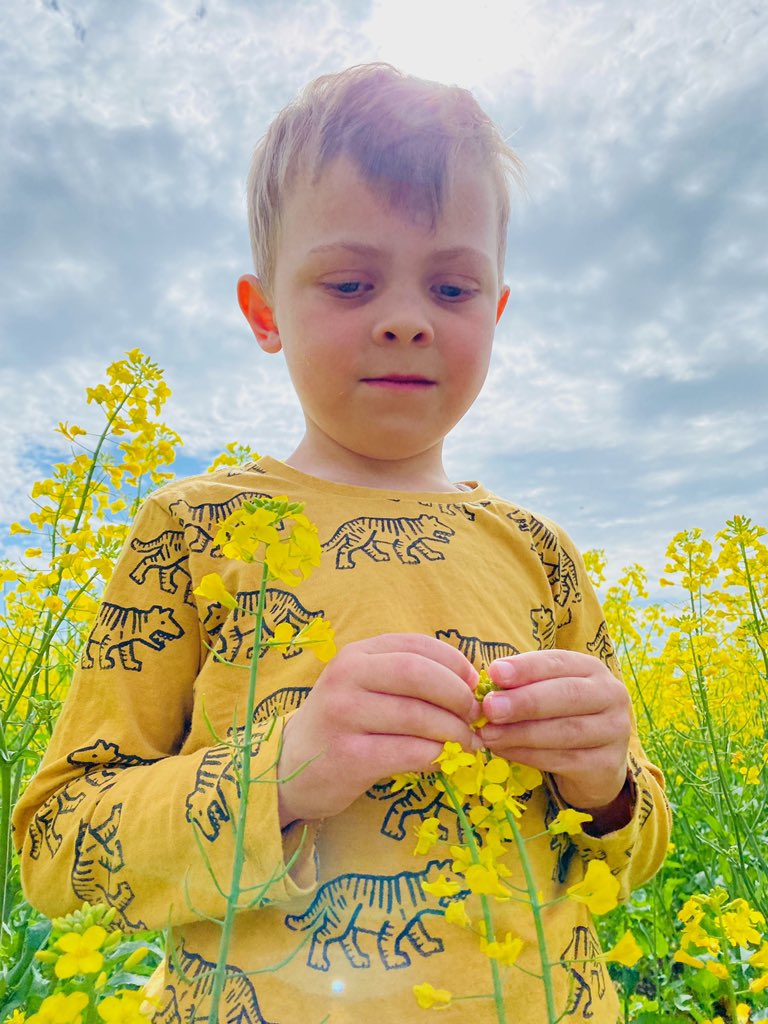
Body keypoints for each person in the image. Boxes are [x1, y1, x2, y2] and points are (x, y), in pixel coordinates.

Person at [14, 63, 670, 1023]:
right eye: (352, 282)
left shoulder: (544, 550)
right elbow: (55, 852)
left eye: (451, 286)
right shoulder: (192, 533)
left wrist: (607, 785)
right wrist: (280, 775)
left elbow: (635, 843)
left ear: (496, 312)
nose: (406, 318)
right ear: (265, 312)